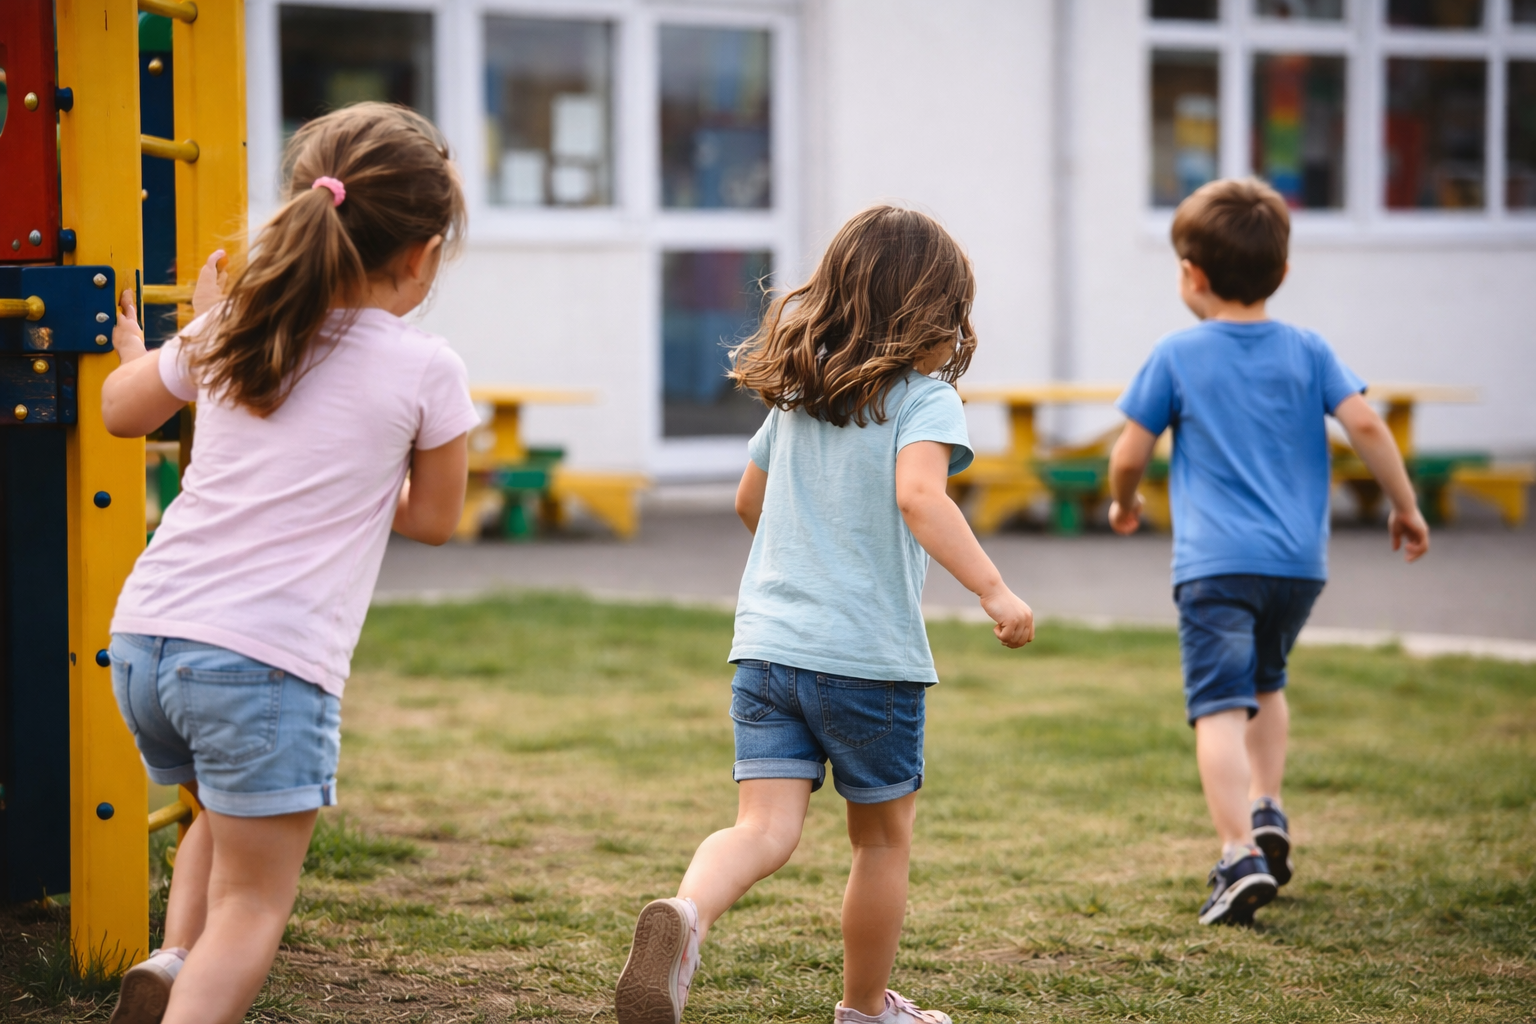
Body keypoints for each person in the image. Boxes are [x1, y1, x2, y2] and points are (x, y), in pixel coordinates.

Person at [101, 103, 479, 1024]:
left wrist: (150, 348)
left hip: (148, 641)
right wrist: (348, 485)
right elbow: (433, 520)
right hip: (265, 663)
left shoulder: (233, 326)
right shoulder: (427, 368)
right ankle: (197, 981)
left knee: (225, 820)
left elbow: (121, 411)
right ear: (423, 253)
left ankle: (173, 959)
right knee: (255, 902)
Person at [613, 206, 1035, 1024]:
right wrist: (993, 589)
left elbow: (750, 502)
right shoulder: (925, 402)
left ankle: (688, 917)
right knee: (880, 842)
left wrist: (799, 564)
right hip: (867, 662)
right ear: (931, 313)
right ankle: (865, 1010)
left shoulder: (803, 394)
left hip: (768, 651)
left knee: (761, 829)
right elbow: (920, 496)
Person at [1107, 178, 1429, 926]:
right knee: (1268, 682)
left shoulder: (1177, 353)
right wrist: (1405, 507)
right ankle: (1267, 806)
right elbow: (1370, 429)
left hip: (1216, 566)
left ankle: (1237, 852)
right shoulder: (1310, 350)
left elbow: (1129, 453)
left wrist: (1125, 501)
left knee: (1218, 706)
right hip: (1297, 566)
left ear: (1190, 273)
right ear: (1280, 273)